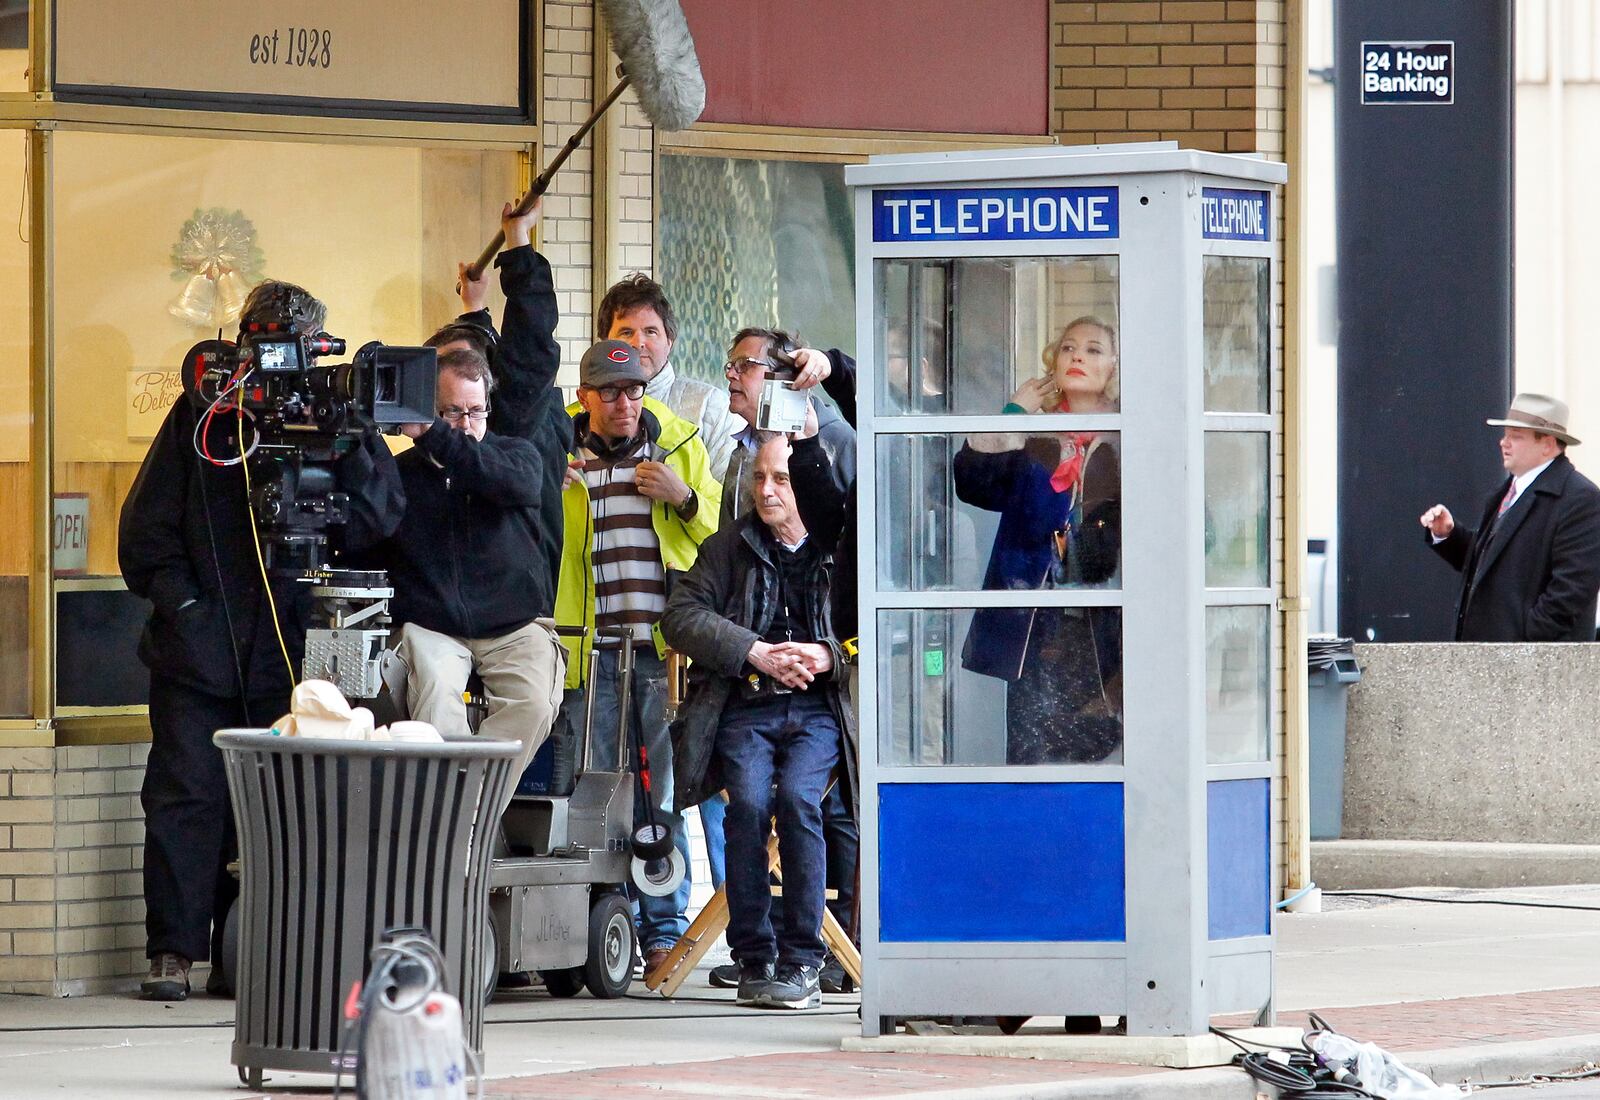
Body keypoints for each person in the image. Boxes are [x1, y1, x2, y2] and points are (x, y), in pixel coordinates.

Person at [119, 280, 404, 1001]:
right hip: (198, 653)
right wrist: (185, 608)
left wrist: (352, 431)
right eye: (266, 340)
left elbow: (379, 521)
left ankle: (266, 956)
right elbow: (145, 534)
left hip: (296, 655)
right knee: (189, 799)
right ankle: (174, 953)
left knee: (288, 809)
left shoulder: (333, 416)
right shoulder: (203, 417)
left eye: (294, 345)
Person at [662, 432, 856, 1010]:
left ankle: (802, 962)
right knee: (744, 806)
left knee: (799, 801)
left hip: (819, 708)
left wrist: (827, 654)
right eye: (759, 478)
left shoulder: (839, 546)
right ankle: (752, 956)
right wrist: (754, 650)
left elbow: (879, 626)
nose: (766, 492)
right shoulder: (728, 545)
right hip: (746, 703)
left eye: (781, 480)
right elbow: (680, 616)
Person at [555, 339, 723, 974]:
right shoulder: (558, 454)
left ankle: (663, 931)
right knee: (593, 794)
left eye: (634, 391)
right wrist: (551, 483)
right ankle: (600, 923)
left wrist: (683, 498)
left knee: (662, 799)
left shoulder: (679, 446)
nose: (625, 403)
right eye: (610, 393)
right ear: (584, 397)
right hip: (584, 652)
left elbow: (720, 546)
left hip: (659, 653)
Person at [371, 342, 567, 792]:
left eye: (476, 412)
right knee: (436, 699)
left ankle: (467, 808)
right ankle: (453, 820)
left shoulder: (517, 456)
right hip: (431, 625)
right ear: (428, 408)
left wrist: (434, 434)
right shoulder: (399, 475)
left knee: (535, 703)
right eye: (452, 413)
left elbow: (492, 474)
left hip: (515, 625)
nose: (466, 426)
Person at [954, 316, 1123, 769]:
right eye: (1068, 348)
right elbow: (973, 484)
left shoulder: (1130, 432)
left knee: (1101, 742)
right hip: (1034, 616)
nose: (1078, 357)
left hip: (1105, 615)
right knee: (1032, 745)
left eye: (1093, 349)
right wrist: (1013, 412)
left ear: (1114, 367)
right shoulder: (1035, 432)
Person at [426, 199, 570, 641]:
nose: (459, 398)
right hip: (453, 615)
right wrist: (475, 309)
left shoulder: (514, 419)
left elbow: (528, 348)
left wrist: (519, 243)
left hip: (516, 616)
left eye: (471, 393)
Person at [1420, 393, 1600, 642]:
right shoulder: (1506, 492)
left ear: (1547, 444)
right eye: (1505, 435)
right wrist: (1449, 536)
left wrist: (1527, 638)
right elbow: (1493, 566)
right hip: (1490, 661)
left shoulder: (1580, 498)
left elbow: (1573, 589)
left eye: (1516, 437)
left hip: (1532, 668)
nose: (1503, 443)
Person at [598, 273, 743, 480]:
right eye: (626, 333)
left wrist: (685, 499)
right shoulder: (582, 413)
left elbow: (730, 501)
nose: (638, 343)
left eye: (650, 332)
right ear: (604, 343)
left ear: (670, 341)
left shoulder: (710, 406)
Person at [719, 329, 855, 527]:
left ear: (785, 375)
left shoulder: (841, 440)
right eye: (730, 366)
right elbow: (726, 540)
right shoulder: (742, 449)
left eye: (745, 365)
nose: (730, 374)